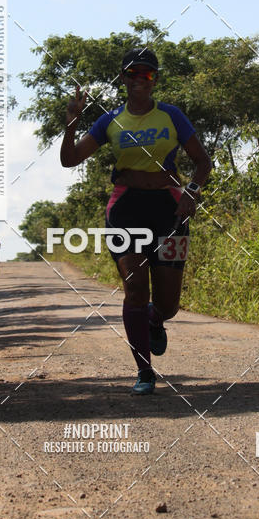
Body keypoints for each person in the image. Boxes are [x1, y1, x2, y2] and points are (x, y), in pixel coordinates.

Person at [60, 48, 212, 395]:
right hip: (125, 209)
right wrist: (71, 121)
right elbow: (70, 159)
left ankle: (155, 321)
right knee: (135, 290)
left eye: (146, 74)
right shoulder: (110, 121)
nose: (139, 79)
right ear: (123, 78)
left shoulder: (172, 116)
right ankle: (144, 371)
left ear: (154, 79)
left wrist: (191, 192)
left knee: (169, 303)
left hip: (169, 210)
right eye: (132, 73)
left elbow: (202, 162)